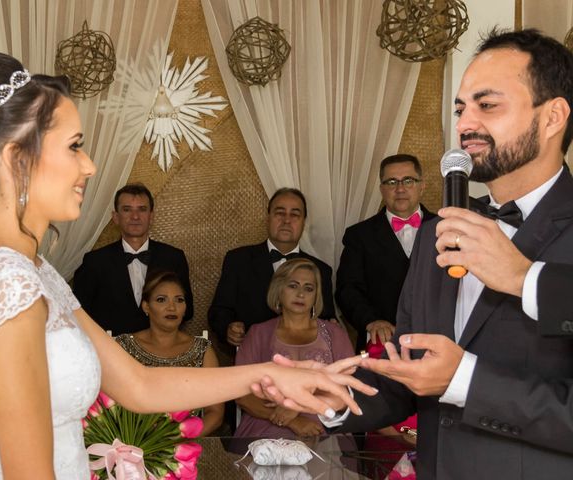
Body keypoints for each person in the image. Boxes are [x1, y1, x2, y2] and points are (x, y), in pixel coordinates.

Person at [0, 51, 375, 479]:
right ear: (17, 158)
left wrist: (271, 373)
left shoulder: (35, 272)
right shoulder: (5, 283)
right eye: (74, 146)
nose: (88, 166)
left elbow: (139, 385)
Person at [291, 28, 573, 480]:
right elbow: (410, 372)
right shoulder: (435, 234)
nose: (464, 124)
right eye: (461, 108)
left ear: (553, 115)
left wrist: (522, 280)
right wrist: (337, 399)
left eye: (488, 104)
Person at [234, 258, 355, 439]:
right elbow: (241, 394)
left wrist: (299, 407)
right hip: (266, 423)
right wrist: (292, 421)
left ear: (316, 296)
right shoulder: (258, 333)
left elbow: (348, 390)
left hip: (324, 423)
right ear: (278, 289)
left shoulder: (335, 334)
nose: (301, 294)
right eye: (293, 286)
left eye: (309, 288)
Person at [209, 187, 336, 349]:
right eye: (280, 213)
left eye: (295, 214)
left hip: (302, 361)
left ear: (304, 222)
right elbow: (219, 311)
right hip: (251, 358)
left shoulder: (321, 270)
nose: (286, 220)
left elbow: (325, 319)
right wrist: (228, 328)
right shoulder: (238, 260)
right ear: (268, 217)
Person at [336, 153, 435, 352]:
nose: (400, 189)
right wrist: (371, 321)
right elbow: (347, 289)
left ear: (421, 185)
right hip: (382, 347)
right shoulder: (359, 235)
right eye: (391, 182)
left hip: (437, 342)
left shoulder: (446, 228)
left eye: (408, 180)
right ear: (381, 189)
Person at [73, 182, 193, 335]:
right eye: (127, 209)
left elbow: (187, 310)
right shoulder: (95, 262)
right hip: (112, 352)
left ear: (151, 216)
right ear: (115, 217)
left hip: (162, 351)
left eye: (142, 209)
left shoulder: (173, 257)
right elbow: (80, 314)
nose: (135, 216)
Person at [116, 270, 223, 436]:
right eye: (161, 300)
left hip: (185, 449)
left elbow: (215, 413)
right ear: (146, 306)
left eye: (179, 300)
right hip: (133, 446)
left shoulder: (202, 350)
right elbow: (108, 407)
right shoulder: (123, 347)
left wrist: (181, 440)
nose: (172, 307)